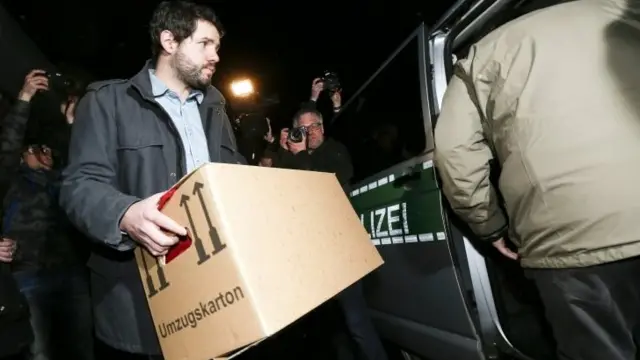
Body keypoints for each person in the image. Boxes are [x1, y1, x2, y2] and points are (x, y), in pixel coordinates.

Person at [433, 0, 640, 359]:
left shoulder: (479, 58)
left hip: (572, 238)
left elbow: (454, 154)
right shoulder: (623, 11)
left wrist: (492, 228)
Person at [59, 1, 244, 358]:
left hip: (216, 292)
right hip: (136, 298)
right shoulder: (107, 101)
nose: (215, 55)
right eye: (205, 44)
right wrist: (125, 214)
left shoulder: (217, 109)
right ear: (169, 41)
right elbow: (78, 186)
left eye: (218, 47)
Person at [275, 108, 388, 360]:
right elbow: (280, 191)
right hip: (311, 254)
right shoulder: (292, 158)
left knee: (357, 322)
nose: (309, 132)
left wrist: (302, 154)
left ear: (323, 128)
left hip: (341, 248)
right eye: (302, 129)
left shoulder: (335, 151)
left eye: (314, 126)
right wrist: (283, 151)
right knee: (330, 330)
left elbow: (325, 187)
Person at [0, 70, 93, 360]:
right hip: (29, 276)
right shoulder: (11, 181)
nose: (43, 153)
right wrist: (25, 97)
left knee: (80, 347)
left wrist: (69, 122)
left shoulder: (59, 180)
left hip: (70, 272)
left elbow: (76, 158)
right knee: (40, 352)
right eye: (34, 149)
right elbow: (7, 145)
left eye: (45, 148)